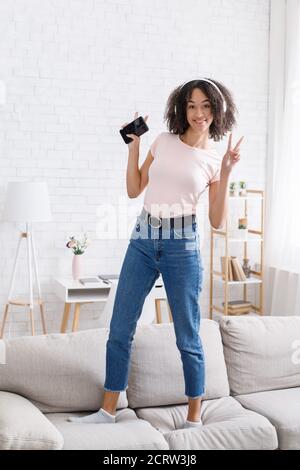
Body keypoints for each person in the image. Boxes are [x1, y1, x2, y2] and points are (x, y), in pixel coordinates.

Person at [68, 78, 244, 428]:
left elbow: (217, 220)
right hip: (144, 238)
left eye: (206, 106)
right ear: (182, 107)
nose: (199, 113)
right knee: (120, 328)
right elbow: (135, 189)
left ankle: (195, 416)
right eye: (192, 105)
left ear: (217, 110)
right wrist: (134, 147)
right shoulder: (163, 141)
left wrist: (224, 173)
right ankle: (107, 410)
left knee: (187, 335)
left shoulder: (212, 159)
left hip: (183, 245)